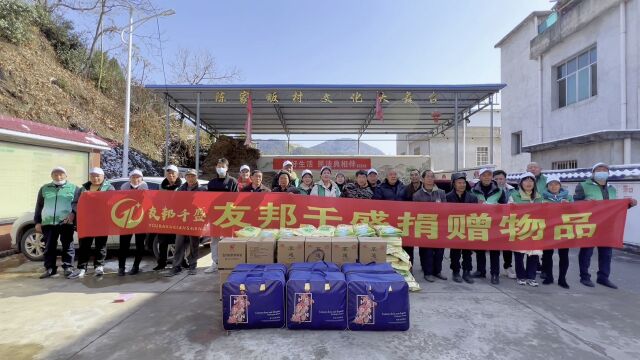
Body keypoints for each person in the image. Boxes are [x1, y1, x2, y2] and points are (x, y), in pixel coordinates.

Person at [574, 162, 637, 289]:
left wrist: (628, 204)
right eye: (599, 169)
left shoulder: (611, 188)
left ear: (608, 173)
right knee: (587, 251)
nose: (602, 171)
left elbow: (614, 208)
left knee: (606, 253)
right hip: (589, 224)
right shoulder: (583, 185)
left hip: (608, 224)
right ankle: (584, 277)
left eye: (605, 169)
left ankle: (603, 277)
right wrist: (584, 202)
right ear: (593, 172)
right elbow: (575, 204)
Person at [67, 167, 114, 279]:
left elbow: (113, 202)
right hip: (86, 221)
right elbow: (75, 203)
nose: (95, 178)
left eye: (98, 176)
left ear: (103, 177)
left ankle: (99, 266)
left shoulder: (109, 188)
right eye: (93, 176)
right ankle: (82, 267)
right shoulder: (83, 188)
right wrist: (80, 210)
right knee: (84, 245)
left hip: (101, 221)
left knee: (101, 245)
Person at [35, 167, 78, 279]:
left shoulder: (74, 188)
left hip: (66, 222)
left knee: (67, 246)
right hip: (48, 223)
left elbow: (78, 204)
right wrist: (37, 222)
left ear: (66, 175)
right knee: (49, 247)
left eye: (61, 174)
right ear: (51, 176)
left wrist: (73, 215)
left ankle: (68, 267)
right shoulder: (44, 188)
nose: (58, 177)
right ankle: (50, 269)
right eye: (55, 174)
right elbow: (39, 206)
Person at [470, 168, 508, 284]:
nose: (486, 177)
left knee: (494, 250)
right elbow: (469, 206)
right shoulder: (473, 190)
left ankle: (495, 273)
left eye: (489, 175)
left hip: (494, 224)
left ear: (492, 177)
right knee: (480, 249)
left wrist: (499, 206)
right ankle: (481, 271)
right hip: (479, 223)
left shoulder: (500, 191)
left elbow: (505, 207)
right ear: (480, 177)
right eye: (484, 175)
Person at [166, 169, 205, 276]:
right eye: (189, 176)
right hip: (182, 221)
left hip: (195, 221)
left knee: (194, 244)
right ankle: (176, 266)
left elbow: (205, 206)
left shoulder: (202, 190)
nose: (191, 178)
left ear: (196, 177)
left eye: (193, 176)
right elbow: (174, 204)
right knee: (179, 244)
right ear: (185, 177)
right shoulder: (181, 190)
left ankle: (192, 266)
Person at [509, 172, 544, 287]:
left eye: (531, 181)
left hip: (535, 229)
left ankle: (531, 277)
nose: (528, 183)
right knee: (519, 254)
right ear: (521, 183)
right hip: (520, 228)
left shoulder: (539, 196)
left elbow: (547, 211)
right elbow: (508, 212)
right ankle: (521, 276)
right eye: (526, 181)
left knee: (534, 255)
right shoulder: (514, 195)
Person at [412, 170, 447, 282]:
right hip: (425, 226)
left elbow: (445, 209)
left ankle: (438, 271)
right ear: (422, 179)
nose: (430, 178)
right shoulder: (417, 195)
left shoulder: (441, 193)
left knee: (439, 251)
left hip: (439, 226)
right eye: (428, 176)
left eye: (432, 176)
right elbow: (415, 212)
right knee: (426, 251)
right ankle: (428, 273)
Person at [205, 158, 239, 273]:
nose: (220, 168)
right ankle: (215, 263)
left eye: (222, 166)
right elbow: (207, 200)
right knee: (214, 240)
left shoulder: (232, 182)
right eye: (218, 166)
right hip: (215, 216)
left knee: (228, 240)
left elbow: (237, 200)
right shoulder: (211, 183)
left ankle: (229, 262)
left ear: (227, 168)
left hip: (228, 216)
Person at [541, 174, 572, 289]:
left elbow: (577, 211)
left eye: (556, 184)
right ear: (547, 186)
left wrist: (569, 206)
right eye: (551, 184)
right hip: (548, 229)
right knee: (547, 254)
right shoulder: (542, 198)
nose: (554, 186)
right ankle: (549, 276)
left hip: (564, 229)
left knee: (564, 255)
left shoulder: (568, 197)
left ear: (560, 185)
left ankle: (562, 278)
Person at [446, 172, 477, 284]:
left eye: (463, 182)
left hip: (468, 228)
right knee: (455, 252)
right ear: (454, 184)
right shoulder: (447, 197)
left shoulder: (472, 197)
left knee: (467, 252)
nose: (462, 185)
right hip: (454, 228)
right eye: (459, 183)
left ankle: (467, 272)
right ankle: (455, 271)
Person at [118, 169, 149, 276]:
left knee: (140, 245)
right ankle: (121, 267)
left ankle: (135, 266)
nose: (136, 179)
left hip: (141, 221)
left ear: (141, 179)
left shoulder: (146, 189)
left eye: (138, 177)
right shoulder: (123, 188)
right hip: (125, 221)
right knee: (123, 245)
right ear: (130, 178)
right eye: (133, 177)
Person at [373, 169, 407, 264]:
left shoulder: (403, 187)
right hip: (385, 221)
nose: (393, 176)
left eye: (395, 174)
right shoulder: (380, 188)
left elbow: (408, 202)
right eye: (391, 174)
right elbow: (376, 204)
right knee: (387, 244)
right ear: (387, 177)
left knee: (401, 244)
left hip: (401, 220)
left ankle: (404, 264)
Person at [154, 165, 183, 272]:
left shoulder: (182, 187)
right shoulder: (161, 186)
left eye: (173, 173)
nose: (171, 175)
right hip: (164, 217)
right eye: (169, 173)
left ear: (177, 175)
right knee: (162, 242)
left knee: (178, 242)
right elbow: (155, 200)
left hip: (177, 217)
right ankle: (161, 263)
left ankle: (181, 261)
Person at [493, 169, 517, 280]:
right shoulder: (491, 190)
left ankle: (508, 267)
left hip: (509, 221)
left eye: (501, 178)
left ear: (505, 179)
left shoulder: (513, 190)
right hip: (493, 223)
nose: (499, 181)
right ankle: (495, 270)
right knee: (495, 248)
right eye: (496, 179)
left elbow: (515, 204)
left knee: (508, 247)